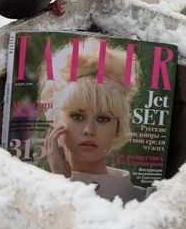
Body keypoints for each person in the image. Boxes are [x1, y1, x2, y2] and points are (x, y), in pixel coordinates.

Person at [40, 39, 147, 202]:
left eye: (103, 119)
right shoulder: (39, 190)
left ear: (118, 127)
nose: (89, 130)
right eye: (77, 116)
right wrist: (60, 181)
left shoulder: (144, 199)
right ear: (58, 119)